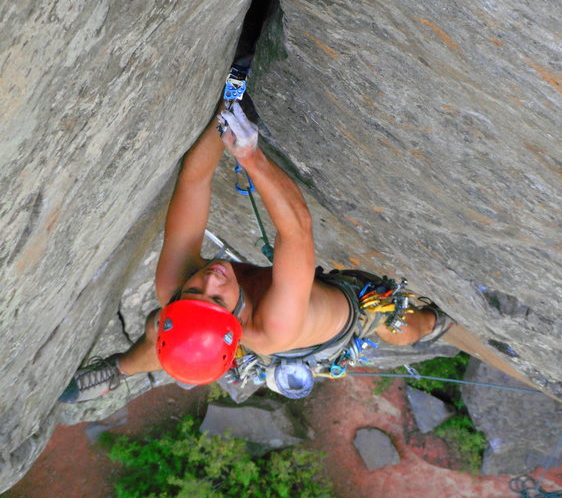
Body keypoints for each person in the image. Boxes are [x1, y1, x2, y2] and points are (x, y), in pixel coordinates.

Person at [60, 98, 453, 403]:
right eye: (217, 297)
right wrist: (251, 157)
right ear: (235, 318)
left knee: (161, 330)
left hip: (248, 336)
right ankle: (437, 325)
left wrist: (225, 111)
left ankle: (120, 371)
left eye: (195, 292)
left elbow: (194, 182)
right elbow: (296, 229)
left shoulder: (173, 288)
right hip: (345, 318)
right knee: (399, 325)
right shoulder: (274, 324)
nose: (210, 279)